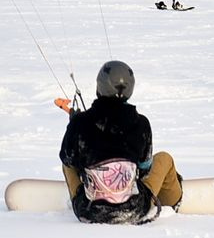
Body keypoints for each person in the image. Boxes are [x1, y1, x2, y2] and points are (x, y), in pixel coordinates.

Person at [59, 60, 181, 223]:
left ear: (99, 86)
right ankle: (173, 203)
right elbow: (145, 167)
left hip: (89, 210)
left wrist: (75, 127)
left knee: (67, 165)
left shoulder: (80, 122)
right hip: (134, 208)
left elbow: (67, 158)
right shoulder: (142, 123)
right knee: (164, 158)